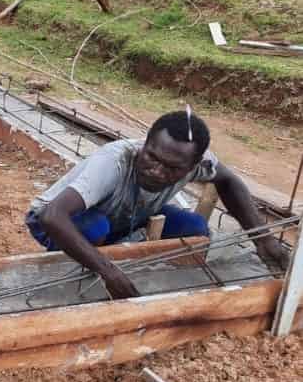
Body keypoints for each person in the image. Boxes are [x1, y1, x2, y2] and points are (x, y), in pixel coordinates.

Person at [26, 109, 288, 299]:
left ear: (193, 166)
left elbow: (230, 182)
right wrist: (108, 271)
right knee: (95, 228)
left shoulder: (198, 162)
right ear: (145, 144)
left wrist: (262, 238)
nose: (157, 171)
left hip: (128, 214)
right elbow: (53, 216)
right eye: (152, 157)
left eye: (172, 168)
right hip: (56, 221)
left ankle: (168, 288)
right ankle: (83, 279)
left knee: (194, 228)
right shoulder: (114, 162)